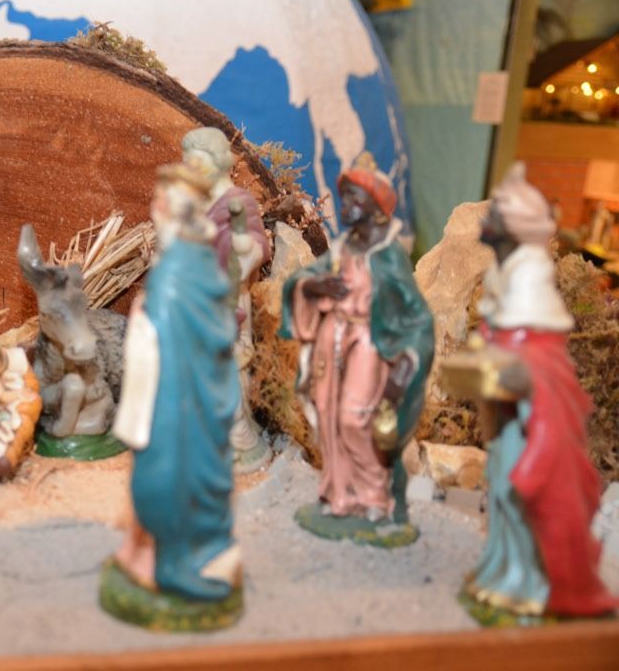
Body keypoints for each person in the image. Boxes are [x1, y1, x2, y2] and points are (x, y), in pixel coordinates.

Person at [462, 163, 617, 618]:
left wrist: (495, 361)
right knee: (501, 485)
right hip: (508, 405)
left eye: (496, 218)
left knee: (521, 488)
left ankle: (527, 580)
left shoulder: (528, 275)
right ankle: (505, 571)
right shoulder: (505, 270)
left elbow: (527, 350)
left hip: (530, 409)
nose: (486, 224)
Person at [111, 162, 242, 604]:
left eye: (158, 202)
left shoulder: (175, 273)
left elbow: (168, 333)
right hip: (196, 392)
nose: (153, 208)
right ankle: (148, 551)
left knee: (163, 475)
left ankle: (172, 564)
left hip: (174, 399)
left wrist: (142, 319)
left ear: (170, 209)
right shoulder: (199, 260)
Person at [279, 153, 433, 526]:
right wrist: (315, 285)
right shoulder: (344, 248)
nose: (345, 205)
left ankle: (375, 496)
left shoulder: (389, 256)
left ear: (377, 209)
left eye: (354, 199)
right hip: (331, 340)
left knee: (354, 418)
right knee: (329, 415)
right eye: (344, 197)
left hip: (366, 344)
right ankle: (341, 494)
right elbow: (302, 281)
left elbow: (418, 315)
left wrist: (408, 360)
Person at [181, 127, 273, 473]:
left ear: (218, 161)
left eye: (197, 163)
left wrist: (246, 252)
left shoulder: (239, 201)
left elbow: (258, 243)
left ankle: (239, 437)